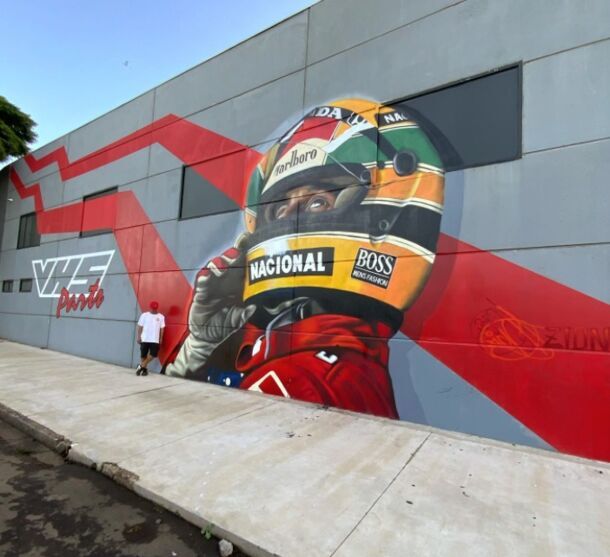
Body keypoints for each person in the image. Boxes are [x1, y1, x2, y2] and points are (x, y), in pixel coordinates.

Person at [166, 98, 444, 418]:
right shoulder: (289, 351)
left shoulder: (301, 378)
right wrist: (201, 343)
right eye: (279, 209)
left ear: (383, 217)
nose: (288, 220)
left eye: (316, 202)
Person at [136, 301, 165, 376]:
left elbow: (162, 329)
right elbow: (140, 326)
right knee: (143, 355)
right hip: (144, 338)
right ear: (150, 307)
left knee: (153, 354)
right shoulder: (144, 315)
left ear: (157, 308)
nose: (153, 309)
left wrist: (161, 338)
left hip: (155, 339)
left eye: (155, 308)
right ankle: (144, 370)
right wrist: (138, 337)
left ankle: (141, 366)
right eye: (153, 308)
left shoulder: (161, 317)